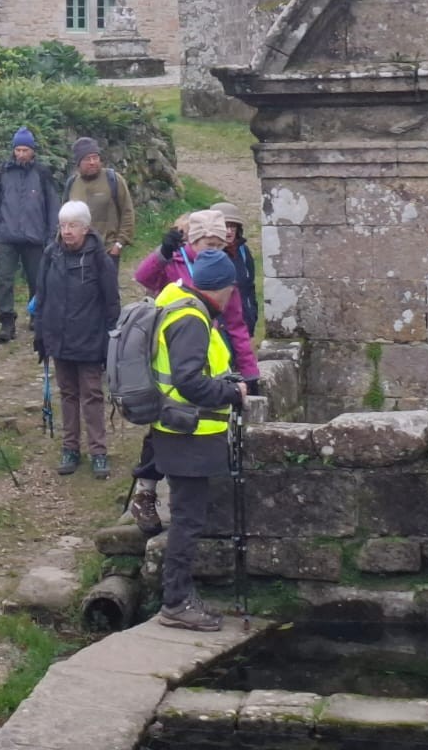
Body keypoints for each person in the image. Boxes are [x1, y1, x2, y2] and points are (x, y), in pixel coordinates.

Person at [128, 209, 261, 534]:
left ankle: (191, 497)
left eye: (219, 242)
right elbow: (143, 277)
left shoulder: (222, 272)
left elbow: (237, 324)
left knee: (200, 423)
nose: (212, 248)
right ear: (192, 239)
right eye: (207, 242)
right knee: (163, 426)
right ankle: (145, 492)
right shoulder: (175, 261)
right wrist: (161, 253)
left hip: (209, 354)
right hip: (170, 354)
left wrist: (250, 371)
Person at [153, 249, 247, 632]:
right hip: (187, 433)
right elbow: (188, 380)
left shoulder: (178, 305)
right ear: (222, 289)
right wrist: (230, 393)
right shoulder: (192, 318)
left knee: (186, 518)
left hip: (178, 430)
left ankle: (178, 597)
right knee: (187, 521)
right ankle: (175, 602)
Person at [33, 201, 120, 479]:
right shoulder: (51, 254)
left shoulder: (99, 259)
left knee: (92, 395)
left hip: (90, 339)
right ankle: (70, 447)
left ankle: (98, 451)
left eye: (73, 226)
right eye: (63, 225)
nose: (67, 231)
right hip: (59, 338)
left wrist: (110, 340)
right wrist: (41, 334)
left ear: (86, 227)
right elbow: (42, 296)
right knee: (68, 394)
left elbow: (111, 302)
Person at [0, 126, 60, 342]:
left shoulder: (42, 174)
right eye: (18, 150)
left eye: (25, 150)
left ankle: (36, 314)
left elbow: (53, 206)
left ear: (33, 151)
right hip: (6, 236)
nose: (21, 154)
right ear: (13, 150)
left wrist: (52, 235)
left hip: (35, 237)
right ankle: (7, 322)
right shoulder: (2, 174)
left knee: (38, 279)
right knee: (4, 280)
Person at [63, 137, 135, 260]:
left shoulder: (113, 179)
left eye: (95, 158)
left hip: (107, 251)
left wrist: (119, 244)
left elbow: (127, 212)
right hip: (78, 253)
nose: (92, 162)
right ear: (78, 163)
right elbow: (64, 218)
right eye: (87, 159)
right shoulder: (72, 184)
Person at [210, 201, 259, 337]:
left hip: (244, 325)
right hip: (219, 329)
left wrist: (252, 315)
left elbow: (249, 286)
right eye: (225, 226)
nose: (229, 231)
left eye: (233, 226)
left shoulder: (243, 251)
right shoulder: (207, 256)